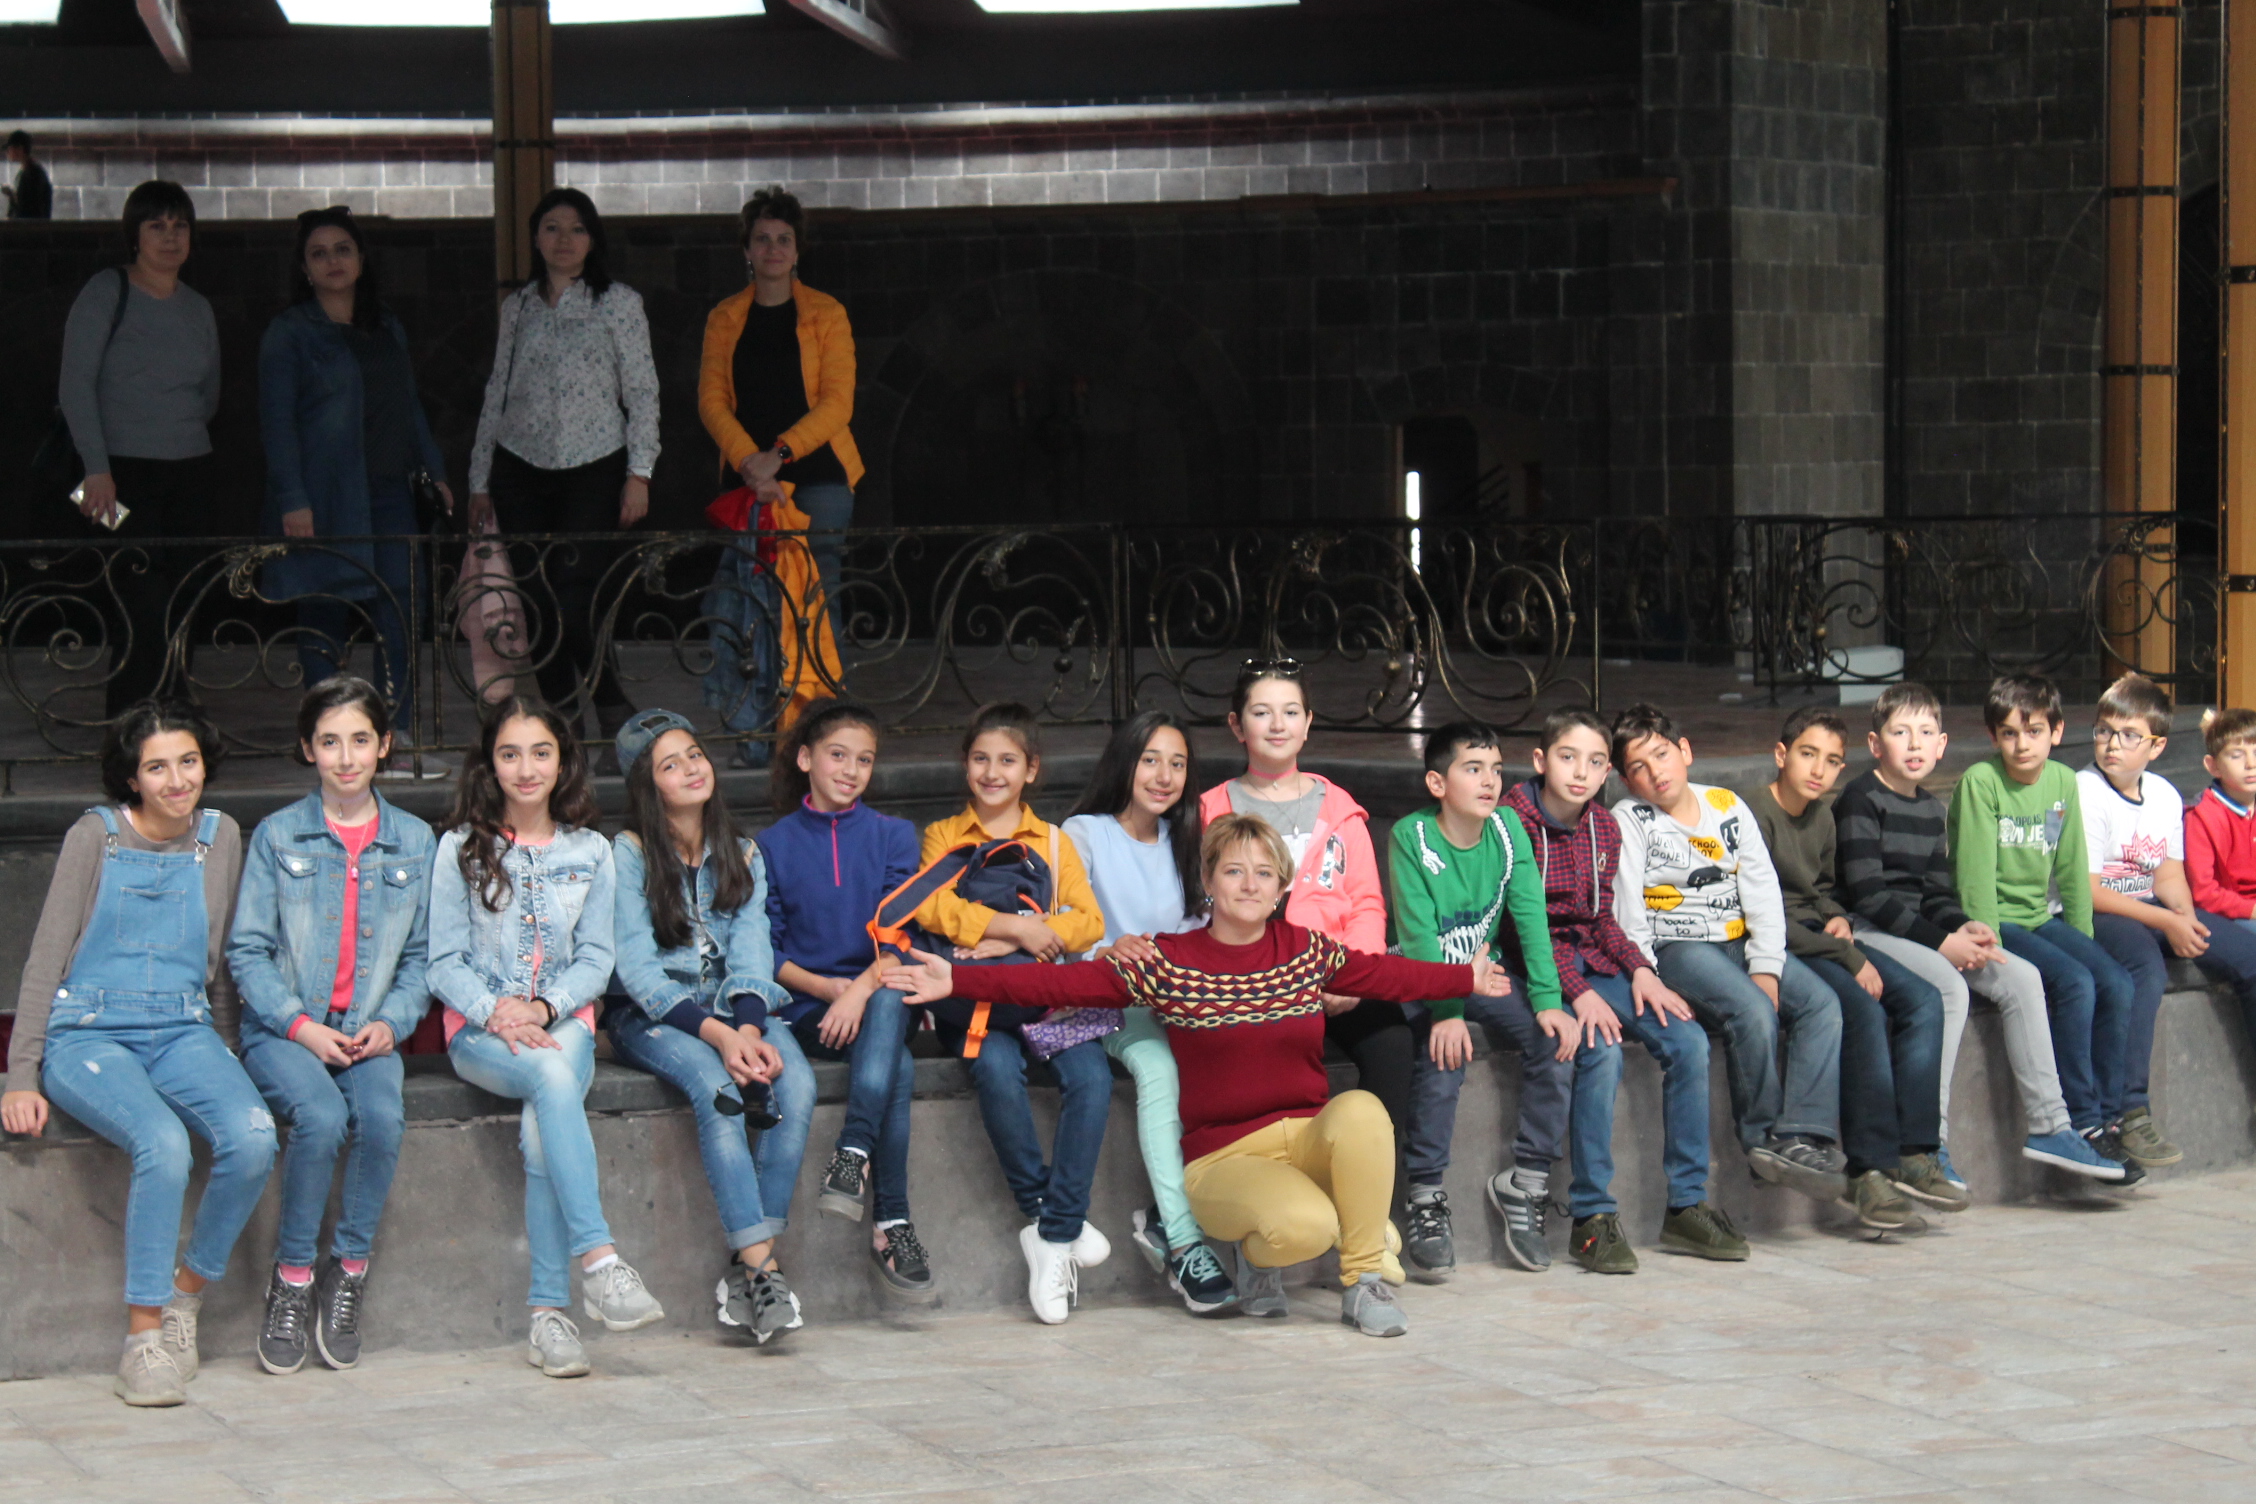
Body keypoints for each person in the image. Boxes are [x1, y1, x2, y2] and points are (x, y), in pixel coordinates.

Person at [885, 815, 1511, 1338]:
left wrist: (1467, 978)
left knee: (1364, 1112)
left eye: (1263, 873)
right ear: (1208, 881)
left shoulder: (1305, 950)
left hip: (1306, 1138)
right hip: (1224, 1158)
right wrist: (957, 978)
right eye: (1233, 871)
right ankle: (1274, 1258)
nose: (1249, 884)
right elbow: (1064, 981)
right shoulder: (1168, 961)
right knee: (1309, 1227)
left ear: (1281, 887)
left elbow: (1386, 975)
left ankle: (1364, 1282)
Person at [0, 702, 273, 1407]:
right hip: (89, 1033)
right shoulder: (95, 836)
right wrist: (20, 1074)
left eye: (188, 762)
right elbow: (45, 957)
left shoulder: (221, 836)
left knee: (252, 1135)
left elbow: (219, 964)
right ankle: (142, 1341)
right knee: (163, 1142)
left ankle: (186, 1294)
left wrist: (227, 1053)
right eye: (157, 767)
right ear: (132, 778)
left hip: (182, 1029)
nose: (177, 780)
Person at [428, 697, 664, 1378]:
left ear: (563, 762)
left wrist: (542, 1006)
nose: (525, 769)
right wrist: (496, 1011)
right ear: (490, 763)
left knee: (544, 1123)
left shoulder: (591, 852)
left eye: (540, 753)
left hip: (565, 1025)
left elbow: (597, 959)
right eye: (510, 754)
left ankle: (548, 1318)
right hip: (480, 1033)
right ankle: (600, 1260)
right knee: (552, 1077)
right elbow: (442, 962)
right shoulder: (459, 849)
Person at [226, 677, 435, 1375]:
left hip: (368, 1030)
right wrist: (298, 1025)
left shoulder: (415, 839)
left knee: (381, 1118)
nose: (346, 758)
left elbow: (421, 958)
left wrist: (391, 1023)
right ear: (308, 749)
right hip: (285, 1029)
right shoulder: (279, 834)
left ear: (384, 746)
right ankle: (291, 1279)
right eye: (329, 742)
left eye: (360, 740)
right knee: (318, 1118)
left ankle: (347, 1271)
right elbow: (247, 951)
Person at [1834, 682, 2119, 1184]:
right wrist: (1944, 942)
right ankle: (1930, 1141)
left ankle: (2052, 1126)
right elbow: (1869, 898)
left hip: (1921, 930)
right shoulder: (1861, 799)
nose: (1915, 744)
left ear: (1942, 744)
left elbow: (1936, 894)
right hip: (1870, 930)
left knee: (2022, 978)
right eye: (1901, 733)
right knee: (1949, 987)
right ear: (1876, 744)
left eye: (1926, 733)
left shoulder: (1931, 809)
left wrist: (1964, 926)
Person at [1195, 659, 1412, 1282]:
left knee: (1392, 1039)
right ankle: (1281, 1203)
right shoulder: (1212, 810)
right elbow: (1205, 905)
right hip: (1258, 983)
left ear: (1309, 723)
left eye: (1290, 712)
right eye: (1261, 712)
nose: (1277, 724)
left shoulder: (1340, 809)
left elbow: (1367, 904)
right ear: (1237, 725)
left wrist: (1350, 974)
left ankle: (1378, 1215)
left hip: (1335, 977)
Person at [606, 708, 813, 1346]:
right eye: (670, 765)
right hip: (655, 1016)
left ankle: (749, 1266)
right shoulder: (629, 853)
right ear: (648, 786)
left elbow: (752, 953)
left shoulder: (742, 852)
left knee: (796, 1084)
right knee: (720, 1090)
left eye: (694, 755)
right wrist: (722, 1038)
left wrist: (747, 1028)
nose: (691, 769)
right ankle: (765, 1270)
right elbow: (638, 972)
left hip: (737, 1009)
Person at [1503, 708, 1734, 1274]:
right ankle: (1591, 1216)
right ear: (1541, 760)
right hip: (1535, 967)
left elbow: (1602, 918)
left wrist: (1641, 970)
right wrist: (1577, 991)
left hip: (1594, 960)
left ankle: (1686, 1204)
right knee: (1600, 1048)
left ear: (1608, 771)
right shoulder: (1513, 822)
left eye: (1595, 762)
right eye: (1567, 758)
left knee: (1687, 1039)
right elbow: (1524, 928)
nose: (1580, 772)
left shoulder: (1603, 826)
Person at [908, 702, 1110, 1324]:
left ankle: (1051, 1232)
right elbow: (931, 908)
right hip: (976, 1005)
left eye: (1007, 761)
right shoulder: (944, 835)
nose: (992, 772)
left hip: (1044, 996)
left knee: (1092, 1078)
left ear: (1031, 769)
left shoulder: (1053, 840)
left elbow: (1088, 921)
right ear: (964, 764)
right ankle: (1054, 1220)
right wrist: (1013, 930)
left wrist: (1024, 936)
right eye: (980, 759)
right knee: (995, 1072)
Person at [1391, 723, 1611, 1278]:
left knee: (1553, 1039)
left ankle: (1525, 1183)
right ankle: (1424, 1195)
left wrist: (1548, 1000)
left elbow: (1531, 917)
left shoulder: (1508, 828)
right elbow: (1417, 936)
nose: (1490, 781)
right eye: (1473, 770)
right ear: (1437, 784)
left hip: (1485, 975)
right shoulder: (1412, 836)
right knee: (1444, 1054)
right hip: (1424, 977)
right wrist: (1447, 1011)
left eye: (1495, 769)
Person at [1609, 703, 1848, 1207]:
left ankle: (1802, 1134)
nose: (1656, 773)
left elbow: (1762, 893)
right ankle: (1763, 1141)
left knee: (1822, 1004)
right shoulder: (1631, 819)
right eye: (1639, 768)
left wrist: (1767, 967)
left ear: (1685, 751)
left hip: (1736, 940)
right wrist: (1642, 969)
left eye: (1662, 755)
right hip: (1678, 946)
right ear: (1627, 781)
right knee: (1752, 1010)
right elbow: (1627, 907)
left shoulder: (1727, 805)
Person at [258, 206, 453, 773]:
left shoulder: (384, 325)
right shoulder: (290, 332)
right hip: (326, 495)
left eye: (343, 249)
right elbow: (276, 423)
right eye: (319, 254)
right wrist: (293, 499)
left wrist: (434, 469)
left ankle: (395, 738)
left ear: (362, 259)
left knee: (400, 613)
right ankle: (329, 739)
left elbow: (409, 405)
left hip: (389, 491)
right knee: (325, 611)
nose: (333, 262)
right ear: (304, 268)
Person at [468, 188, 659, 755]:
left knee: (575, 594)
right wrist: (479, 478)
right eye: (551, 227)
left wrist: (640, 471)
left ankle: (609, 700)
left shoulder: (618, 303)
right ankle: (564, 718)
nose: (563, 240)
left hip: (594, 464)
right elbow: (497, 391)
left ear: (592, 238)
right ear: (535, 238)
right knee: (534, 597)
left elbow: (642, 390)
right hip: (520, 465)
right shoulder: (519, 307)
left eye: (576, 229)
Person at [757, 699, 934, 1299]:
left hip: (880, 991)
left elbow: (900, 934)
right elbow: (765, 950)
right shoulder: (772, 845)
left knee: (887, 998)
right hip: (810, 1007)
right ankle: (892, 1221)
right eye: (838, 755)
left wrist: (857, 990)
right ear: (806, 759)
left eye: (864, 760)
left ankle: (852, 1152)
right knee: (897, 1066)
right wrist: (828, 989)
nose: (851, 770)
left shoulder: (892, 836)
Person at [1061, 710, 1237, 1315]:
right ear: (1125, 762)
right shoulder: (1083, 834)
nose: (1164, 776)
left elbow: (1201, 931)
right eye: (1151, 760)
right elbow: (1065, 931)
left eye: (1178, 764)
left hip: (1176, 998)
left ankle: (1181, 1214)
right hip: (1107, 1001)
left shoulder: (1189, 840)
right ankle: (1185, 1244)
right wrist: (1104, 950)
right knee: (1160, 1069)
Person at [1752, 708, 1954, 1232]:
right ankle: (1869, 1170)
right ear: (1781, 755)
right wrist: (1847, 953)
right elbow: (1761, 915)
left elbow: (1821, 890)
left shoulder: (1822, 815)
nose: (1818, 769)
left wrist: (1837, 916)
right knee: (1863, 1009)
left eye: (1832, 761)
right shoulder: (1753, 812)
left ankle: (1915, 1150)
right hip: (1777, 942)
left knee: (1923, 999)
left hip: (1820, 934)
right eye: (1808, 754)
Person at [1948, 675, 2142, 1179]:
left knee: (2115, 980)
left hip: (2039, 915)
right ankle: (2082, 1122)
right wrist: (1987, 940)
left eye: (2033, 731)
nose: (2022, 744)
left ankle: (2109, 1117)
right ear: (1993, 736)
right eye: (2009, 733)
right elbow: (1974, 876)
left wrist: (2083, 938)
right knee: (2075, 982)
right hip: (1997, 921)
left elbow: (2072, 867)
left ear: (2056, 731)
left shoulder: (2061, 782)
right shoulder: (1981, 783)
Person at [58, 180, 222, 716]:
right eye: (157, 226)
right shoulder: (106, 291)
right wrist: (97, 468)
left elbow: (209, 394)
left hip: (189, 470)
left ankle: (174, 716)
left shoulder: (198, 307)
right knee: (140, 602)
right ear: (134, 235)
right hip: (119, 475)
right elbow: (75, 385)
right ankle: (131, 724)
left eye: (180, 226)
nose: (170, 237)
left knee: (185, 598)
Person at [2090, 679, 2256, 1168]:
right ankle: (2130, 1112)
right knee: (2145, 969)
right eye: (2104, 731)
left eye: (2129, 735)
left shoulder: (2162, 794)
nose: (2112, 744)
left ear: (2157, 746)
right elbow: (2090, 891)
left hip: (2154, 908)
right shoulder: (2084, 790)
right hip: (2102, 912)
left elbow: (2167, 875)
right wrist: (2168, 919)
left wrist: (2184, 917)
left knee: (2249, 957)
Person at [698, 187, 862, 643]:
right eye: (763, 238)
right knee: (747, 600)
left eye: (784, 239)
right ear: (747, 249)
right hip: (748, 478)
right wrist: (752, 463)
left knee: (817, 601)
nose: (773, 248)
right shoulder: (724, 317)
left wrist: (779, 455)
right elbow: (711, 401)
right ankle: (755, 693)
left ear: (797, 250)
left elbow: (837, 403)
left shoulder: (827, 313)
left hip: (819, 478)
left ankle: (822, 692)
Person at [5, 129, 53, 219]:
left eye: (10, 149)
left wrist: (12, 197)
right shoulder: (28, 171)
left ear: (20, 149)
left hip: (30, 225)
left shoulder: (33, 173)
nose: (8, 152)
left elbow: (29, 206)